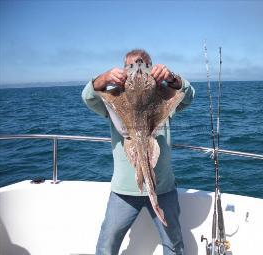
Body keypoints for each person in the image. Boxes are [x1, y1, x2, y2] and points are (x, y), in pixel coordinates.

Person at [81, 49, 195, 255]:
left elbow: (188, 96)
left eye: (145, 66)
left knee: (174, 244)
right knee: (107, 245)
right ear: (123, 70)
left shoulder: (164, 93)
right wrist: (103, 79)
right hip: (123, 190)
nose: (138, 70)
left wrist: (172, 78)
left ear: (152, 69)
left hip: (163, 187)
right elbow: (89, 97)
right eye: (131, 66)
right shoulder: (114, 96)